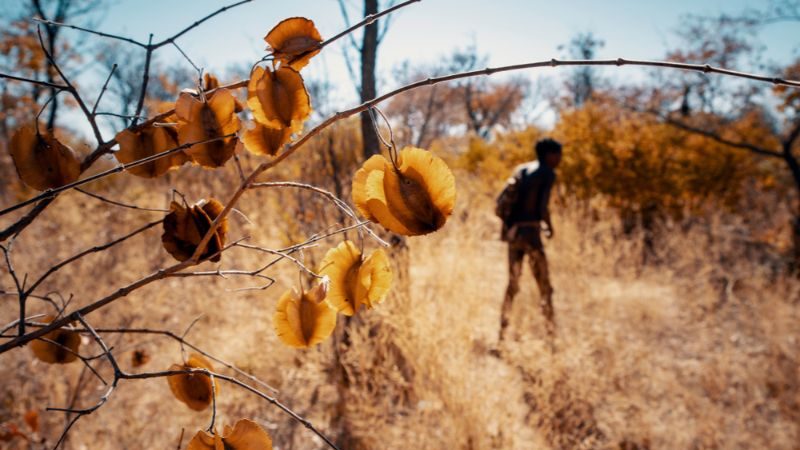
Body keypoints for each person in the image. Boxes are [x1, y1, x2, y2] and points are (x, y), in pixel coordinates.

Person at [495, 138, 562, 341]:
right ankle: (551, 334)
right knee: (545, 286)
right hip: (531, 234)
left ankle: (502, 333)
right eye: (558, 154)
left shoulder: (522, 170)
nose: (560, 158)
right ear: (549, 154)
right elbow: (542, 207)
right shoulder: (547, 173)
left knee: (513, 283)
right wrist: (549, 227)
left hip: (514, 234)